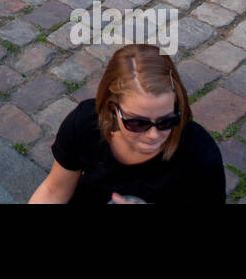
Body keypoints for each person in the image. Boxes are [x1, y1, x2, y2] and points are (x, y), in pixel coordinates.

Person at [29, 44, 225, 204]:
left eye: (167, 121)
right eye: (138, 123)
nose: (154, 135)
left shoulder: (199, 154)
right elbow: (53, 190)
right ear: (112, 109)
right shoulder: (85, 124)